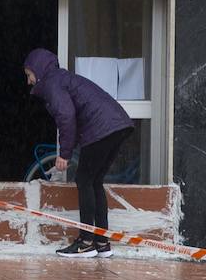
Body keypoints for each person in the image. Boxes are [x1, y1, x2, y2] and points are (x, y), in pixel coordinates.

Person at [23, 48, 134, 257]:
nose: (29, 81)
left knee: (84, 180)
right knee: (94, 181)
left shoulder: (52, 83)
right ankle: (101, 242)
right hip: (117, 125)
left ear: (37, 70)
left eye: (29, 75)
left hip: (102, 128)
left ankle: (86, 242)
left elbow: (66, 116)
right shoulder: (61, 79)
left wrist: (64, 153)